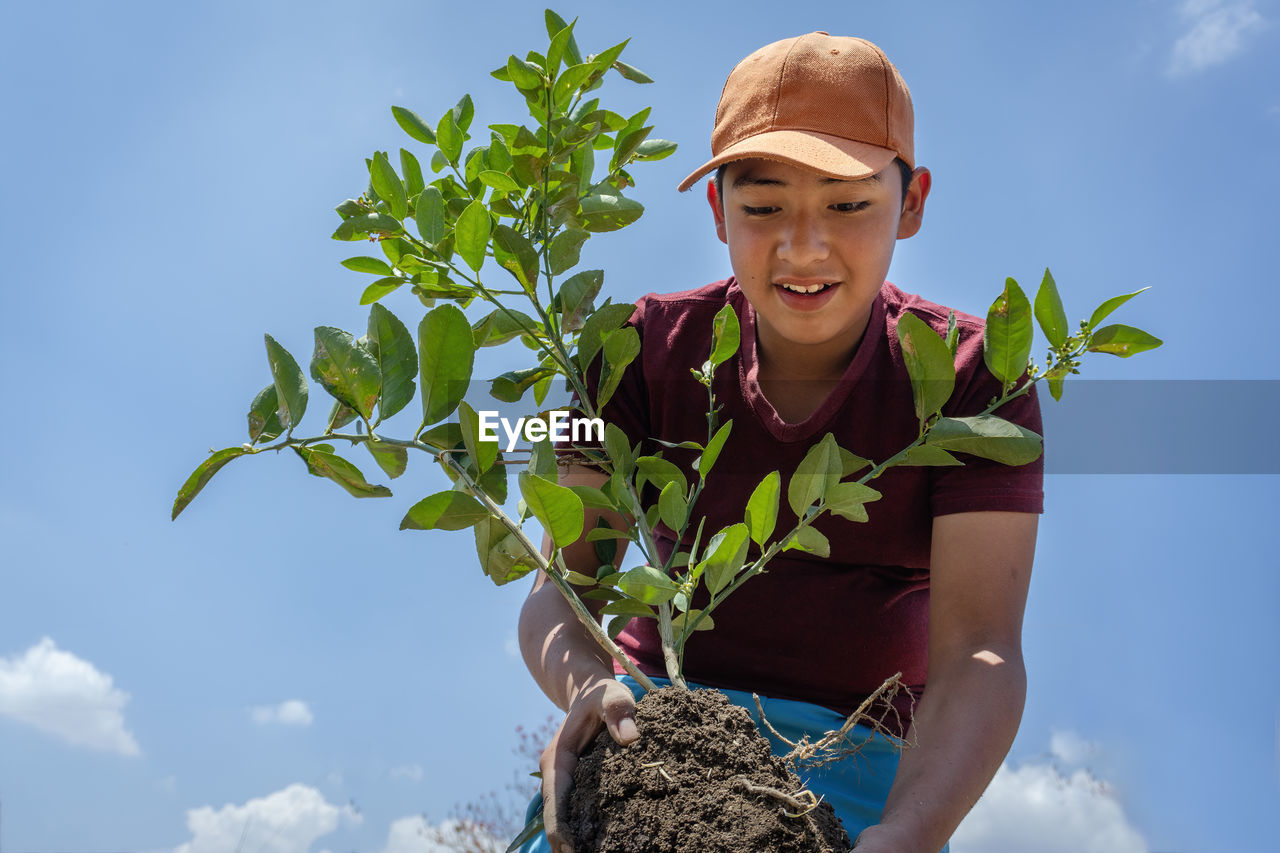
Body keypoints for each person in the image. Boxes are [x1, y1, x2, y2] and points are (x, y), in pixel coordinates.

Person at [518, 32, 1043, 853]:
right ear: (718, 209)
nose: (803, 247)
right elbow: (561, 590)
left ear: (911, 203)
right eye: (763, 207)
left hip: (863, 759)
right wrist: (590, 685)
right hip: (650, 723)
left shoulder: (976, 381)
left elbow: (981, 646)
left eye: (847, 203)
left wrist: (909, 829)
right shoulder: (627, 354)